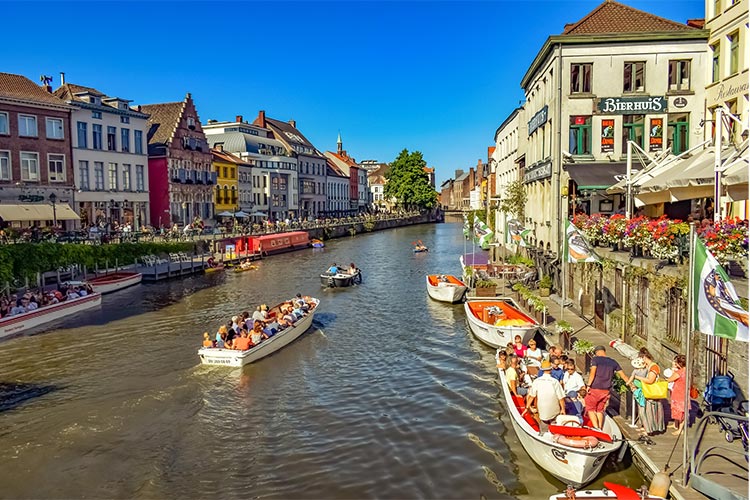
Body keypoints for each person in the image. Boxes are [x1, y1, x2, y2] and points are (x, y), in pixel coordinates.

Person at [585, 345, 628, 430]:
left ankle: (596, 428)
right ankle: (600, 428)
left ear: (597, 353)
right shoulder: (613, 362)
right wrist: (631, 385)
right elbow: (623, 376)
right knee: (599, 410)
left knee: (590, 408)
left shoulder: (595, 360)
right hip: (606, 391)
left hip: (595, 388)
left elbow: (592, 373)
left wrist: (588, 385)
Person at [524, 360, 566, 433]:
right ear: (551, 369)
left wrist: (527, 407)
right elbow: (561, 398)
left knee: (543, 425)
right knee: (554, 425)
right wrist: (563, 409)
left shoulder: (536, 381)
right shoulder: (555, 382)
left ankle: (543, 433)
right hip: (554, 410)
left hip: (543, 411)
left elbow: (531, 396)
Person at [630, 348, 665, 435]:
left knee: (649, 412)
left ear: (644, 357)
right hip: (646, 391)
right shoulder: (647, 366)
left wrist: (637, 377)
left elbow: (650, 380)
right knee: (644, 411)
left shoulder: (654, 367)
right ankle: (646, 427)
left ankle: (649, 430)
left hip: (651, 392)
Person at [666, 354, 687, 436]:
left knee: (680, 411)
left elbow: (669, 379)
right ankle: (676, 424)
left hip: (679, 393)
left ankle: (680, 429)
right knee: (678, 410)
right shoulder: (687, 371)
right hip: (682, 392)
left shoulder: (679, 372)